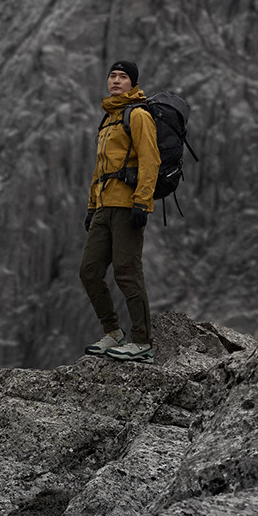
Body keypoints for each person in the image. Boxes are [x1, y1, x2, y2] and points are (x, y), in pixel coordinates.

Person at [79, 60, 161, 363]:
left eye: (122, 76)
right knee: (89, 271)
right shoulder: (108, 119)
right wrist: (92, 207)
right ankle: (113, 332)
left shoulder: (137, 115)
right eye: (112, 75)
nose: (115, 80)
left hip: (128, 206)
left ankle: (142, 341)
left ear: (132, 83)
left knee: (127, 272)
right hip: (103, 207)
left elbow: (150, 160)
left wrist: (142, 201)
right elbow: (100, 169)